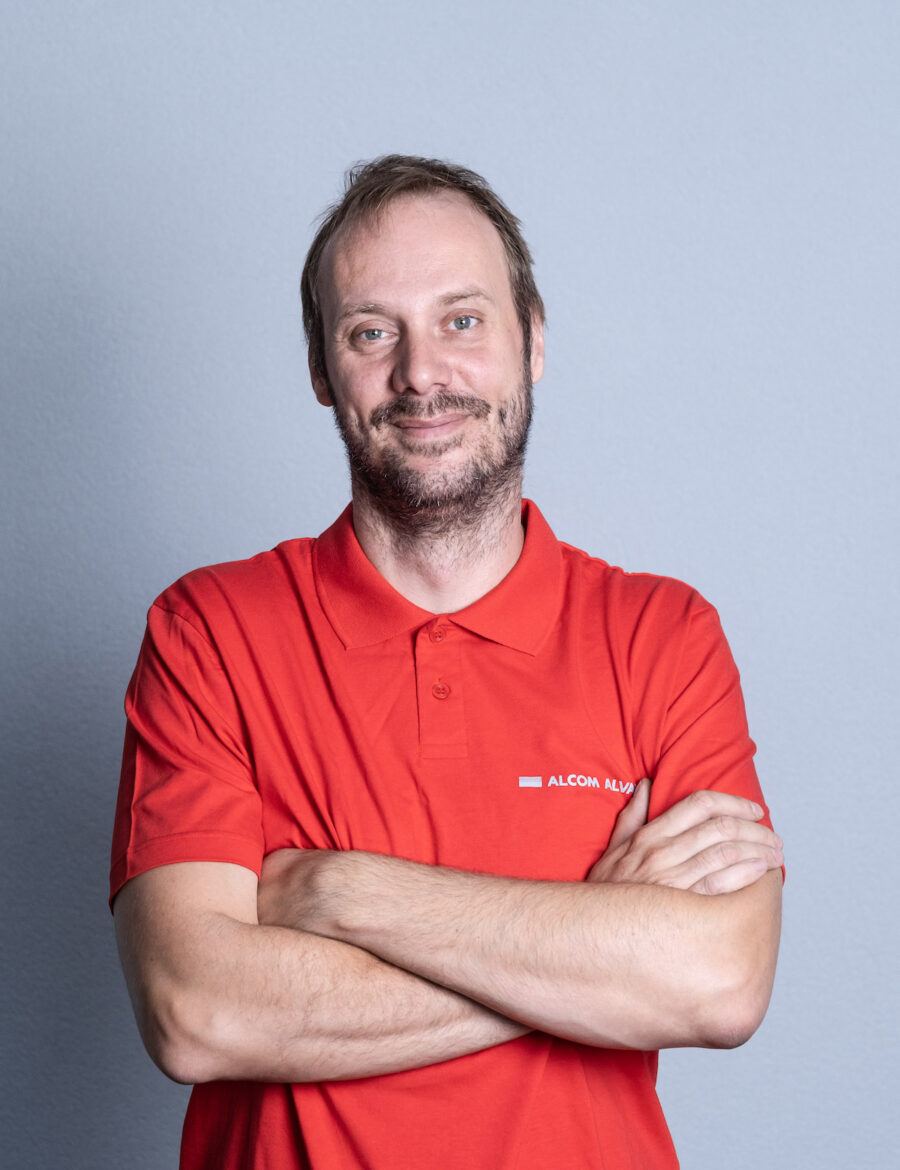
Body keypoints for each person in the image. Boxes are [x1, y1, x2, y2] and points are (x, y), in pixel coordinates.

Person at [111, 155, 783, 1169]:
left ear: (533, 341)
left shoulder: (663, 636)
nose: (422, 373)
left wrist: (344, 894)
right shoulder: (208, 632)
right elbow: (197, 1012)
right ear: (320, 368)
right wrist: (595, 939)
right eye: (371, 332)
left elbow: (720, 984)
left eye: (462, 320)